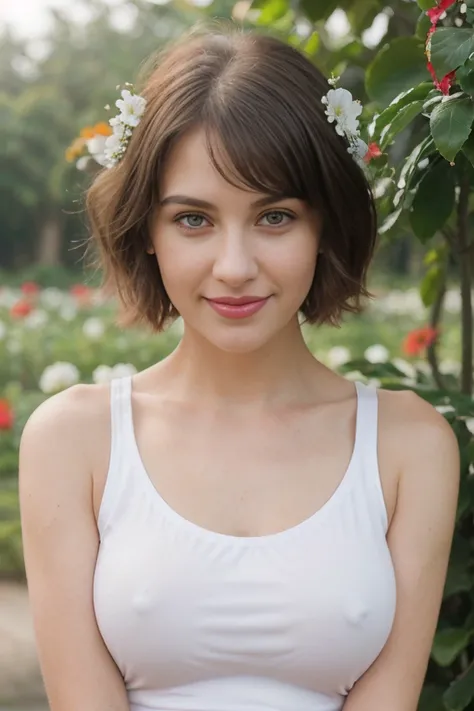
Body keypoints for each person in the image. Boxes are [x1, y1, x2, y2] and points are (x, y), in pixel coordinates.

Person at [19, 23, 459, 711]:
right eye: (193, 220)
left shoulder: (409, 446)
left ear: (325, 226)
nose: (234, 267)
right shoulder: (73, 441)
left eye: (275, 217)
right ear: (148, 234)